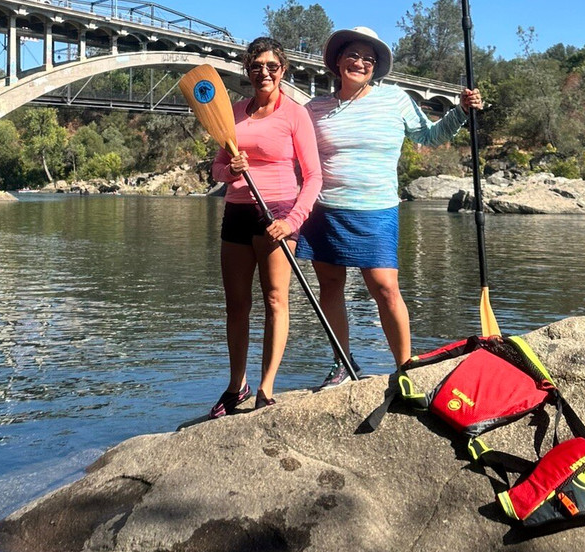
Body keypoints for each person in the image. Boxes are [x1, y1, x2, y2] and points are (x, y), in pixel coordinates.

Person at [295, 26, 483, 387]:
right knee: (330, 287)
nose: (360, 62)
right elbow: (295, 157)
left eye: (368, 58)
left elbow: (430, 137)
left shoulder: (395, 99)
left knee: (385, 288)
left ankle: (405, 366)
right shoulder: (313, 109)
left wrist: (460, 111)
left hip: (376, 209)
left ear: (376, 67)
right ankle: (343, 363)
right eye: (352, 55)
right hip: (325, 209)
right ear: (338, 61)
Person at [207, 37, 322, 417]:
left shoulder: (295, 114)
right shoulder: (233, 112)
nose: (264, 73)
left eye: (271, 66)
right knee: (236, 306)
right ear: (248, 71)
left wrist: (292, 221)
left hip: (279, 214)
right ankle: (235, 386)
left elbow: (313, 176)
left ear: (282, 70)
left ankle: (266, 387)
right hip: (238, 212)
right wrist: (230, 170)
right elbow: (217, 168)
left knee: (276, 300)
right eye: (256, 66)